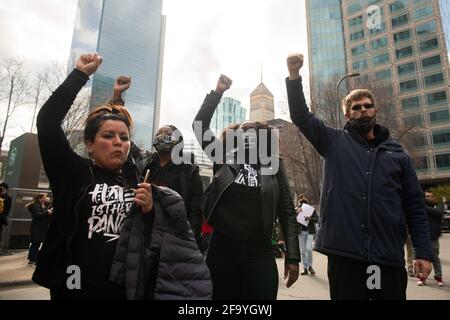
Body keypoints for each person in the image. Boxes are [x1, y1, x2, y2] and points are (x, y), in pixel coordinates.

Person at [33, 53, 211, 300]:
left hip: (127, 290)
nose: (118, 142)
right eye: (108, 136)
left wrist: (150, 211)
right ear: (90, 144)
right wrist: (80, 74)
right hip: (76, 287)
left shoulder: (136, 176)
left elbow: (152, 237)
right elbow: (47, 121)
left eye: (124, 138)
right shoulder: (73, 173)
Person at [285, 53, 432, 300]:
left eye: (367, 106)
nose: (362, 110)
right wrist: (294, 75)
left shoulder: (398, 154)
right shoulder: (333, 141)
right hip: (346, 258)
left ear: (375, 111)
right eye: (356, 107)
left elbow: (415, 207)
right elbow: (301, 116)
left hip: (387, 256)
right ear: (347, 115)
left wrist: (423, 252)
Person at [193, 74, 300, 300]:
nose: (248, 132)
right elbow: (199, 126)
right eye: (243, 130)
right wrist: (217, 92)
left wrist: (293, 256)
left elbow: (287, 211)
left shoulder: (274, 165)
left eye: (254, 130)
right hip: (222, 249)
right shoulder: (222, 156)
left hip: (259, 251)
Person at [109, 77, 204, 250]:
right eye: (159, 133)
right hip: (144, 235)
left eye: (167, 133)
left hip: (175, 240)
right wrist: (117, 96)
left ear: (178, 141)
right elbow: (122, 132)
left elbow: (195, 213)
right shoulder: (145, 161)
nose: (161, 136)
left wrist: (189, 241)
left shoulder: (189, 171)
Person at [418, 191, 445, 287]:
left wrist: (423, 206)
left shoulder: (439, 206)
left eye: (431, 196)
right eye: (427, 196)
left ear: (434, 198)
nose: (430, 198)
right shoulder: (420, 207)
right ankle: (422, 278)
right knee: (422, 258)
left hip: (434, 237)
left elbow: (437, 212)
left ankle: (439, 278)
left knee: (435, 258)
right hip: (423, 236)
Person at [25, 193, 53, 265]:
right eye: (44, 198)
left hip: (37, 227)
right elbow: (38, 215)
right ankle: (32, 260)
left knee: (35, 244)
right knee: (35, 244)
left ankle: (32, 259)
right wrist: (48, 212)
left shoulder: (38, 205)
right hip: (37, 227)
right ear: (40, 198)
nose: (45, 199)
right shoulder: (36, 205)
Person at [295, 194, 318, 276]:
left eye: (303, 198)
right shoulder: (297, 209)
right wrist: (296, 213)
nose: (302, 199)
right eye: (300, 198)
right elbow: (292, 219)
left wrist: (309, 219)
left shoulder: (311, 209)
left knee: (308, 248)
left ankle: (310, 266)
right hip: (301, 233)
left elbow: (317, 219)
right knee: (303, 251)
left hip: (310, 232)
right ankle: (305, 268)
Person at [0, 182, 12, 255]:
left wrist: (3, 217)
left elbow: (7, 209)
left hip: (1, 218)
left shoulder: (8, 198)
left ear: (5, 189)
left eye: (2, 187)